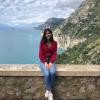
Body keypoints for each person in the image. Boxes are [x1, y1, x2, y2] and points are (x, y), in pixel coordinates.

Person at [38, 28, 57, 100]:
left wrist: (51, 62)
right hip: (43, 61)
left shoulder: (54, 43)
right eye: (46, 33)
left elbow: (55, 53)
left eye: (49, 33)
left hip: (51, 61)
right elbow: (40, 54)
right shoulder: (42, 42)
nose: (48, 34)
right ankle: (50, 93)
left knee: (52, 72)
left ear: (51, 34)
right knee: (46, 74)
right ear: (44, 35)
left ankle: (48, 90)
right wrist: (45, 62)